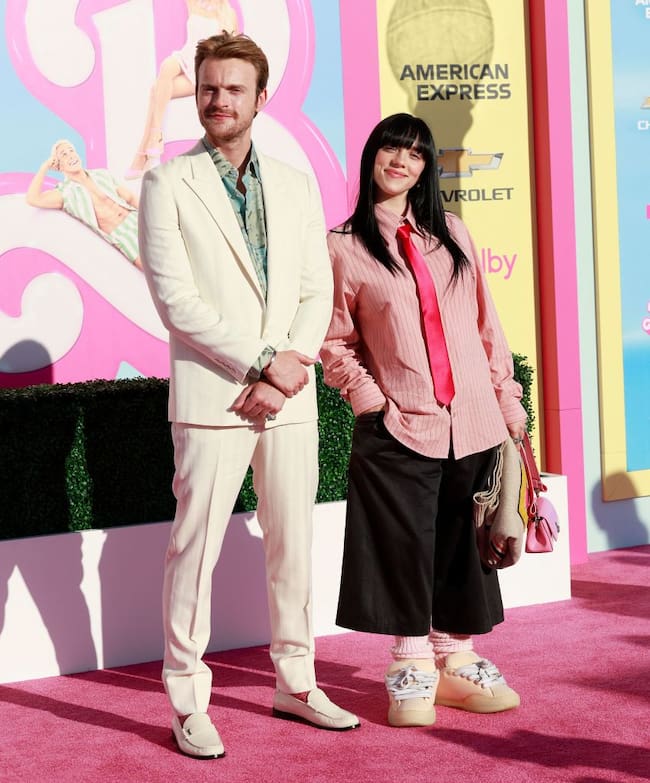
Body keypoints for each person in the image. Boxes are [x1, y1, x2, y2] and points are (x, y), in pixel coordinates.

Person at [138, 32, 360, 759]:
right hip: (215, 397)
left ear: (260, 99)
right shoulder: (167, 183)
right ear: (194, 94)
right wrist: (264, 363)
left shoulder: (296, 184)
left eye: (234, 88)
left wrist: (286, 367)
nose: (217, 100)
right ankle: (187, 699)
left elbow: (314, 288)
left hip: (288, 398)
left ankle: (296, 682)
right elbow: (177, 302)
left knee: (293, 546)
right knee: (192, 550)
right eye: (207, 87)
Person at [319, 113, 528, 729]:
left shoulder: (453, 234)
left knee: (465, 543)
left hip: (474, 421)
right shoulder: (344, 246)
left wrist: (508, 406)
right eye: (392, 148)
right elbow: (334, 342)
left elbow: (487, 331)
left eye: (414, 153)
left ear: (426, 168)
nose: (401, 161)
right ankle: (409, 664)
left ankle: (455, 659)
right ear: (372, 157)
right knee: (401, 545)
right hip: (401, 422)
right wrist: (369, 400)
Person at [125, 0, 238, 178]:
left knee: (156, 90)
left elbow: (230, 52)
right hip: (185, 57)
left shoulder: (227, 13)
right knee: (166, 67)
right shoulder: (194, 3)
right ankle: (155, 137)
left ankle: (143, 153)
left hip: (203, 69)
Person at [26, 140, 141, 268]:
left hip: (136, 219)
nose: (70, 155)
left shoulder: (101, 174)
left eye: (72, 151)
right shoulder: (65, 193)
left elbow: (130, 198)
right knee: (157, 272)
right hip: (122, 236)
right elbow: (33, 199)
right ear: (59, 166)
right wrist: (45, 166)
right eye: (64, 154)